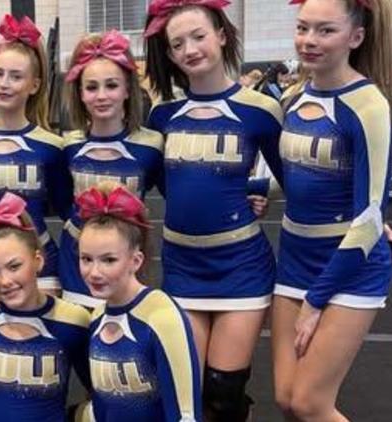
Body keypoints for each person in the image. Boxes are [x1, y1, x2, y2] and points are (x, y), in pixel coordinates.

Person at [144, 1, 285, 420]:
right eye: (178, 43)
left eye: (199, 36)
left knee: (223, 394)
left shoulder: (260, 110)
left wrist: (261, 192)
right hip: (182, 265)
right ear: (169, 54)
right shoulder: (162, 116)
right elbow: (165, 185)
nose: (190, 49)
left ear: (222, 34)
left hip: (240, 266)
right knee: (186, 389)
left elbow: (294, 178)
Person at [272, 0, 392, 420]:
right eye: (303, 28)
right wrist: (256, 191)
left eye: (325, 31)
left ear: (356, 37)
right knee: (288, 400)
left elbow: (369, 217)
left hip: (350, 266)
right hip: (294, 260)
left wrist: (316, 300)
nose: (309, 41)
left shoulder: (368, 106)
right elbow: (290, 171)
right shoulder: (293, 98)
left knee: (312, 403)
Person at [0, 14, 71, 297]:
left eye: (16, 76)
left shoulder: (52, 147)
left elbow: (66, 210)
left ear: (34, 85)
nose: (4, 83)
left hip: (41, 266)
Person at [76, 184, 201, 422]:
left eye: (108, 260)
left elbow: (185, 413)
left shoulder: (162, 316)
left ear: (136, 260)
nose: (94, 272)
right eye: (86, 259)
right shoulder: (97, 316)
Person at [58, 30, 164, 309]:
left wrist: (253, 193)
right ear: (80, 93)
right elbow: (61, 204)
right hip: (76, 264)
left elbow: (178, 189)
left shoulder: (151, 145)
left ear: (128, 89)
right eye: (91, 87)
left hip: (125, 264)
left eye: (111, 85)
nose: (101, 96)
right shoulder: (68, 145)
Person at [0, 192, 91, 422]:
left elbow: (101, 391)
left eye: (14, 266)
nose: (5, 281)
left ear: (38, 261)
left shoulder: (72, 321)